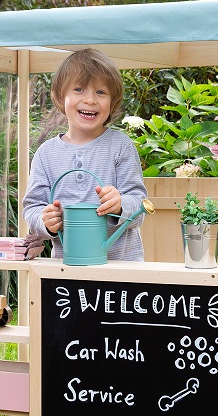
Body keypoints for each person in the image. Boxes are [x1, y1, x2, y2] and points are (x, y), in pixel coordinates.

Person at [22, 48, 148, 261]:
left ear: (112, 102)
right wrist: (46, 222)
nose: (90, 100)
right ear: (60, 97)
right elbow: (33, 207)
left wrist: (120, 205)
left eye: (101, 92)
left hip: (122, 270)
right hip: (66, 271)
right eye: (79, 89)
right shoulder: (46, 154)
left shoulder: (121, 146)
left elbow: (139, 206)